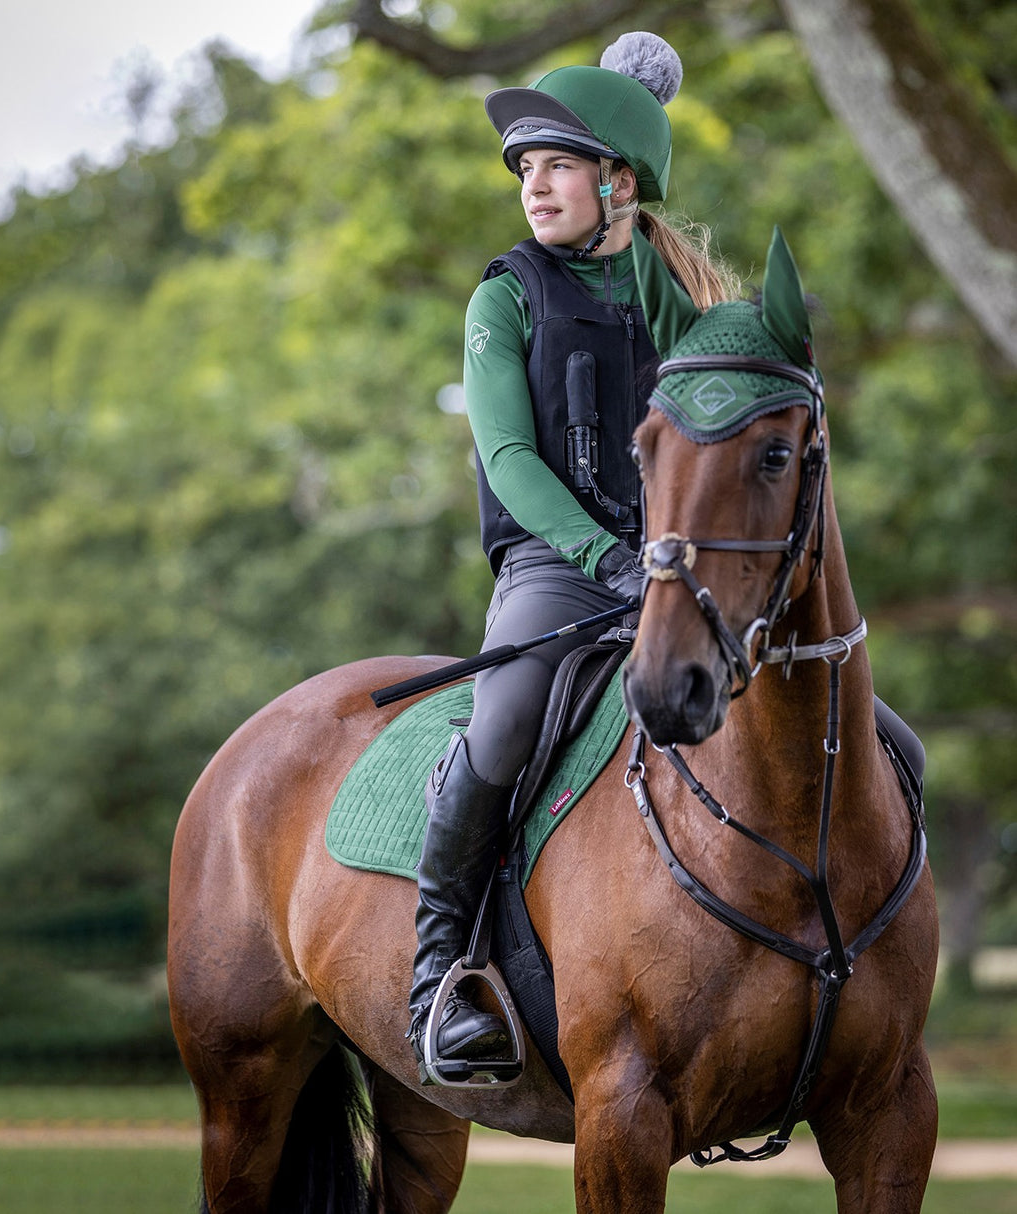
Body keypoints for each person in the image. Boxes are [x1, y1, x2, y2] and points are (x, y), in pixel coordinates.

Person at [407, 32, 740, 1080]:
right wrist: (601, 558)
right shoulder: (503, 295)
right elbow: (506, 454)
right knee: (503, 721)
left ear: (618, 181)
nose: (533, 186)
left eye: (555, 165)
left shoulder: (696, 310)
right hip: (555, 570)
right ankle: (439, 974)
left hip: (687, 573)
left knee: (860, 729)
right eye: (524, 170)